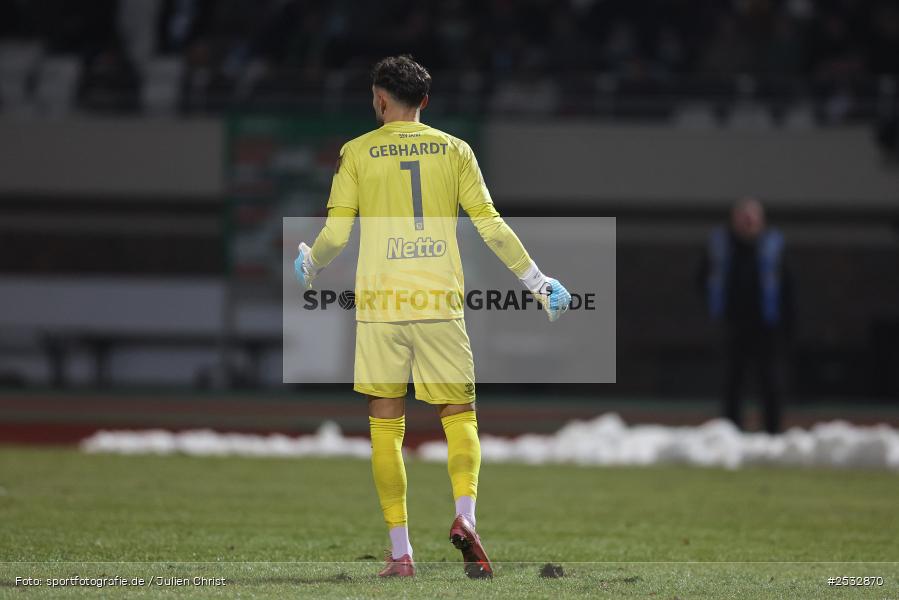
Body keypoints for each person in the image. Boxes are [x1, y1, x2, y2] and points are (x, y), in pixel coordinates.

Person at [293, 55, 571, 579]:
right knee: (459, 416)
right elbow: (490, 225)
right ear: (424, 101)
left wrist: (308, 264)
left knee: (384, 426)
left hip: (380, 307)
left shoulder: (355, 153)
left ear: (379, 100)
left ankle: (401, 553)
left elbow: (336, 237)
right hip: (439, 302)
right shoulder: (456, 151)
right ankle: (465, 516)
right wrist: (538, 282)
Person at [700, 197, 793, 434]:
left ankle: (773, 432)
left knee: (770, 381)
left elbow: (789, 288)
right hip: (733, 325)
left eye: (753, 218)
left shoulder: (774, 247)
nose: (748, 223)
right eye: (744, 218)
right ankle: (730, 432)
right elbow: (701, 279)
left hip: (767, 326)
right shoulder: (721, 246)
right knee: (732, 381)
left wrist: (788, 323)